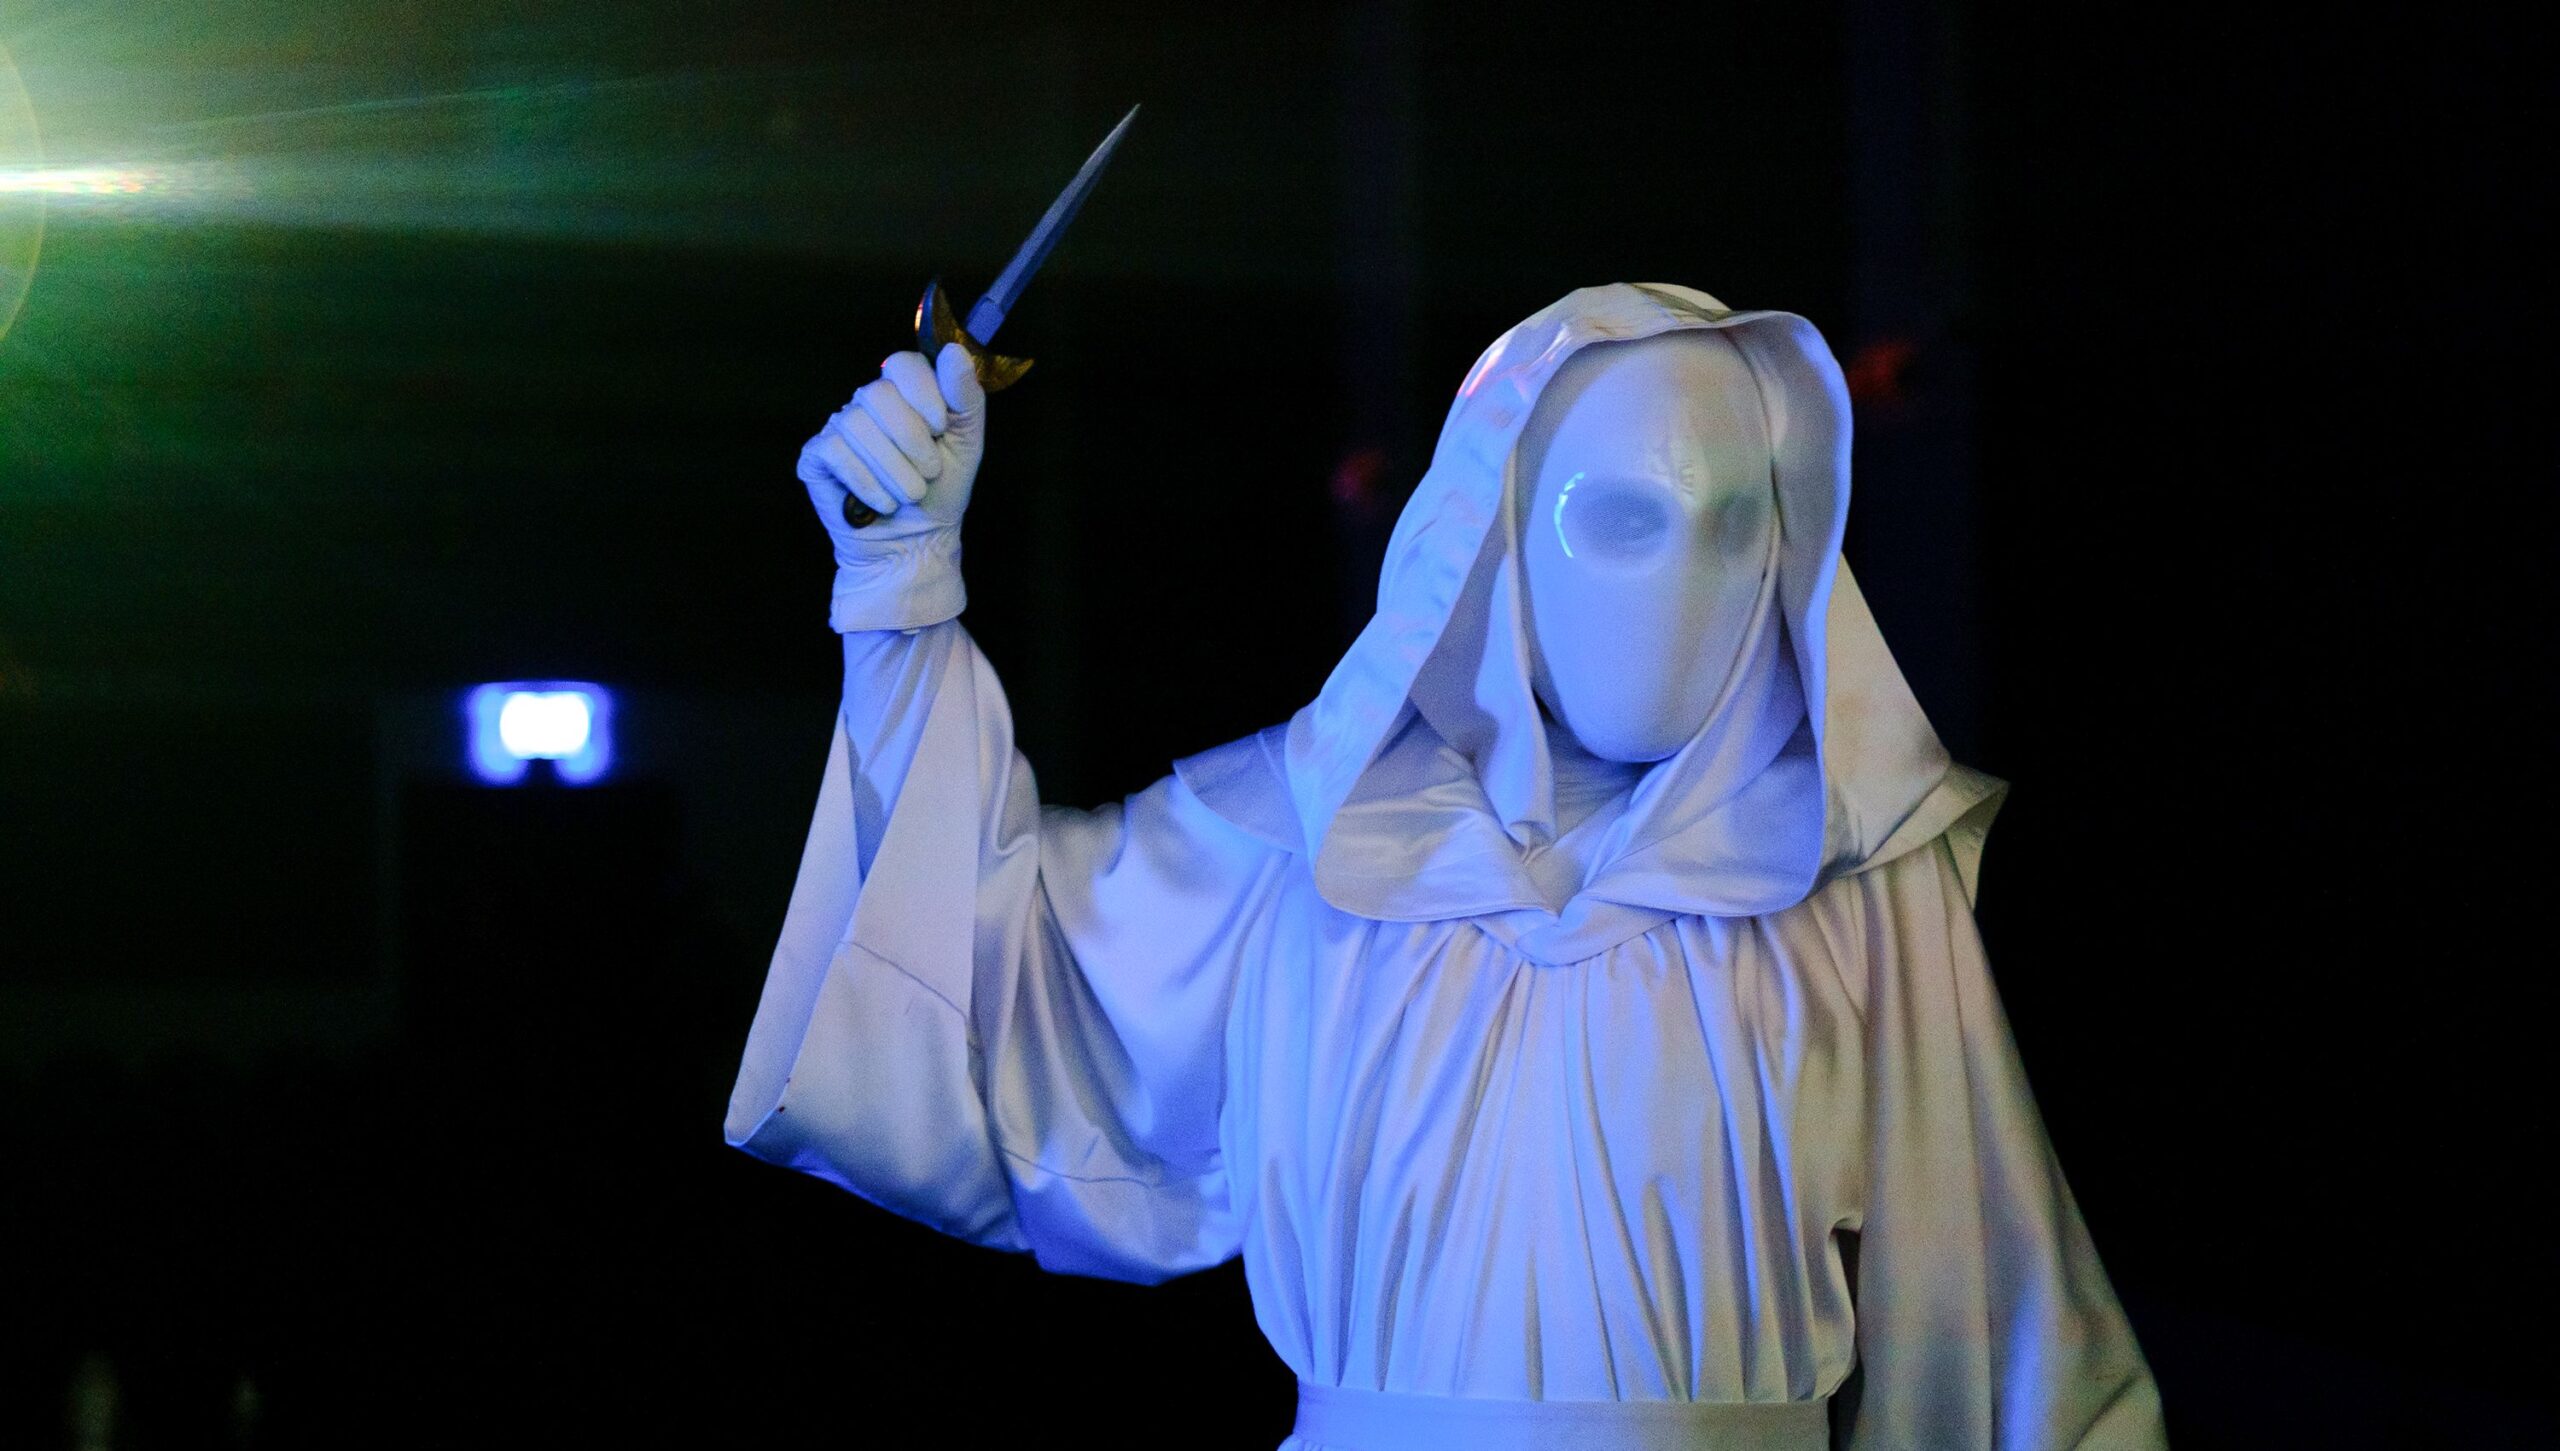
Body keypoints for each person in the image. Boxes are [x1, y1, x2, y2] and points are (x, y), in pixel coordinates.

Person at [725, 283, 2167, 1450]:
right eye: (1619, 520)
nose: (1680, 584)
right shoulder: (1298, 843)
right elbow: (977, 1019)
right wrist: (900, 593)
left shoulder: (1851, 879)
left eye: (1735, 525)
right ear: (1496, 546)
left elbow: (2004, 1335)